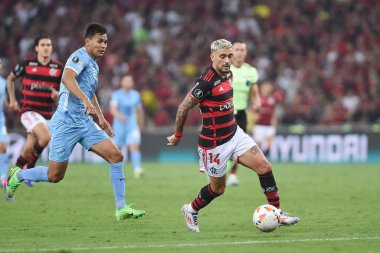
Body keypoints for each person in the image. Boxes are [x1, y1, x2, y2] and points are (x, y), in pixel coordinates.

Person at [5, 23, 145, 220]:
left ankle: (121, 209)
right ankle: (18, 175)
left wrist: (101, 118)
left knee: (116, 156)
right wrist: (85, 101)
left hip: (85, 122)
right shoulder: (78, 56)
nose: (103, 45)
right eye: (99, 41)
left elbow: (91, 92)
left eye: (106, 42)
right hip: (65, 122)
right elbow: (67, 79)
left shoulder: (94, 65)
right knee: (55, 176)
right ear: (87, 41)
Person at [167, 39, 299, 232]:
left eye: (230, 55)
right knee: (217, 189)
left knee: (264, 167)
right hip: (213, 144)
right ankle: (191, 209)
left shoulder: (228, 73)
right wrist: (178, 134)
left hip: (235, 134)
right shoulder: (205, 82)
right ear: (212, 57)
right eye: (223, 56)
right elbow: (183, 108)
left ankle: (278, 214)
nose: (228, 59)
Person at [6, 35, 63, 187]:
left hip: (47, 114)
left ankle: (10, 179)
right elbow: (10, 79)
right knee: (45, 137)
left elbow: (63, 91)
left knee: (27, 150)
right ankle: (30, 170)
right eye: (43, 44)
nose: (46, 47)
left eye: (49, 45)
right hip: (29, 111)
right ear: (37, 48)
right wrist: (12, 100)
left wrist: (57, 95)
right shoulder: (27, 64)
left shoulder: (58, 69)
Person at [226, 41, 261, 187]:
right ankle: (215, 171)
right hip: (225, 112)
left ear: (245, 53)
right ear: (231, 52)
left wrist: (257, 102)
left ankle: (232, 175)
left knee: (238, 146)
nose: (239, 52)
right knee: (224, 145)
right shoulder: (225, 70)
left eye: (242, 50)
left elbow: (254, 92)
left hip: (241, 113)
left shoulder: (251, 71)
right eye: (237, 49)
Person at [110, 74, 145, 179]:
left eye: (130, 80)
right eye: (127, 80)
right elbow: (113, 109)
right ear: (122, 83)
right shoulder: (116, 94)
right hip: (119, 126)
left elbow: (139, 110)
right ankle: (116, 172)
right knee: (117, 150)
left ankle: (137, 169)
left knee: (134, 146)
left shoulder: (136, 95)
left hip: (132, 125)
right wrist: (119, 115)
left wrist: (141, 123)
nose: (129, 82)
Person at [253, 81, 277, 156]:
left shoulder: (272, 99)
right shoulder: (258, 99)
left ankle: (266, 154)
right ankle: (262, 158)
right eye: (265, 88)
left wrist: (274, 122)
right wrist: (255, 116)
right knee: (259, 145)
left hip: (269, 125)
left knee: (269, 144)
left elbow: (274, 112)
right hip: (259, 125)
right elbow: (253, 111)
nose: (266, 89)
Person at [0, 58, 9, 188]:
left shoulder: (3, 82)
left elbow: (4, 99)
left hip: (0, 120)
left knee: (3, 148)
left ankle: (3, 177)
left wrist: (11, 104)